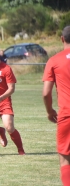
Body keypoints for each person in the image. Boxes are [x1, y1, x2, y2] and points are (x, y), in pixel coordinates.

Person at [42, 26, 70, 186]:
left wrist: (49, 111)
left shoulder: (54, 60)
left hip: (66, 115)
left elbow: (46, 93)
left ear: (62, 39)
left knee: (65, 160)